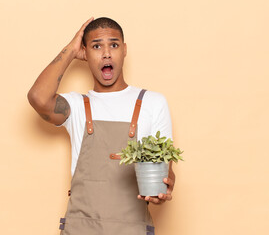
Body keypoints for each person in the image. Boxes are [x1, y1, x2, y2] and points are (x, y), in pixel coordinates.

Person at [28, 17, 176, 234]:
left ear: (124, 50)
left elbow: (166, 171)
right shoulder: (76, 106)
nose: (106, 53)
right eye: (97, 46)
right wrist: (69, 49)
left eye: (114, 45)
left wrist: (164, 187)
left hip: (132, 229)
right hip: (80, 228)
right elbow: (38, 97)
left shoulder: (153, 103)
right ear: (85, 53)